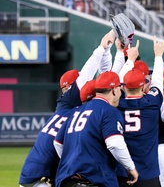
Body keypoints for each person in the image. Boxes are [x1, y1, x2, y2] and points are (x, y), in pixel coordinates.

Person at [19, 30, 115, 187]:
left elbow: (104, 78)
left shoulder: (68, 107)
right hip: (39, 179)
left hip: (34, 174)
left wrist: (107, 50)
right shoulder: (71, 104)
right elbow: (87, 73)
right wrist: (101, 48)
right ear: (71, 87)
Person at [54, 71, 138, 187]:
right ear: (114, 90)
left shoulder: (75, 111)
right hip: (93, 179)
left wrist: (72, 161)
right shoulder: (109, 111)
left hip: (66, 179)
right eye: (119, 89)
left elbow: (57, 142)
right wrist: (130, 167)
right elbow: (115, 144)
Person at [116, 36, 164, 187]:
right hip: (148, 174)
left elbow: (115, 83)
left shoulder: (117, 104)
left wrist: (129, 59)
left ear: (124, 87)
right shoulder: (151, 103)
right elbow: (158, 81)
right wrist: (158, 56)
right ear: (143, 85)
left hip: (122, 174)